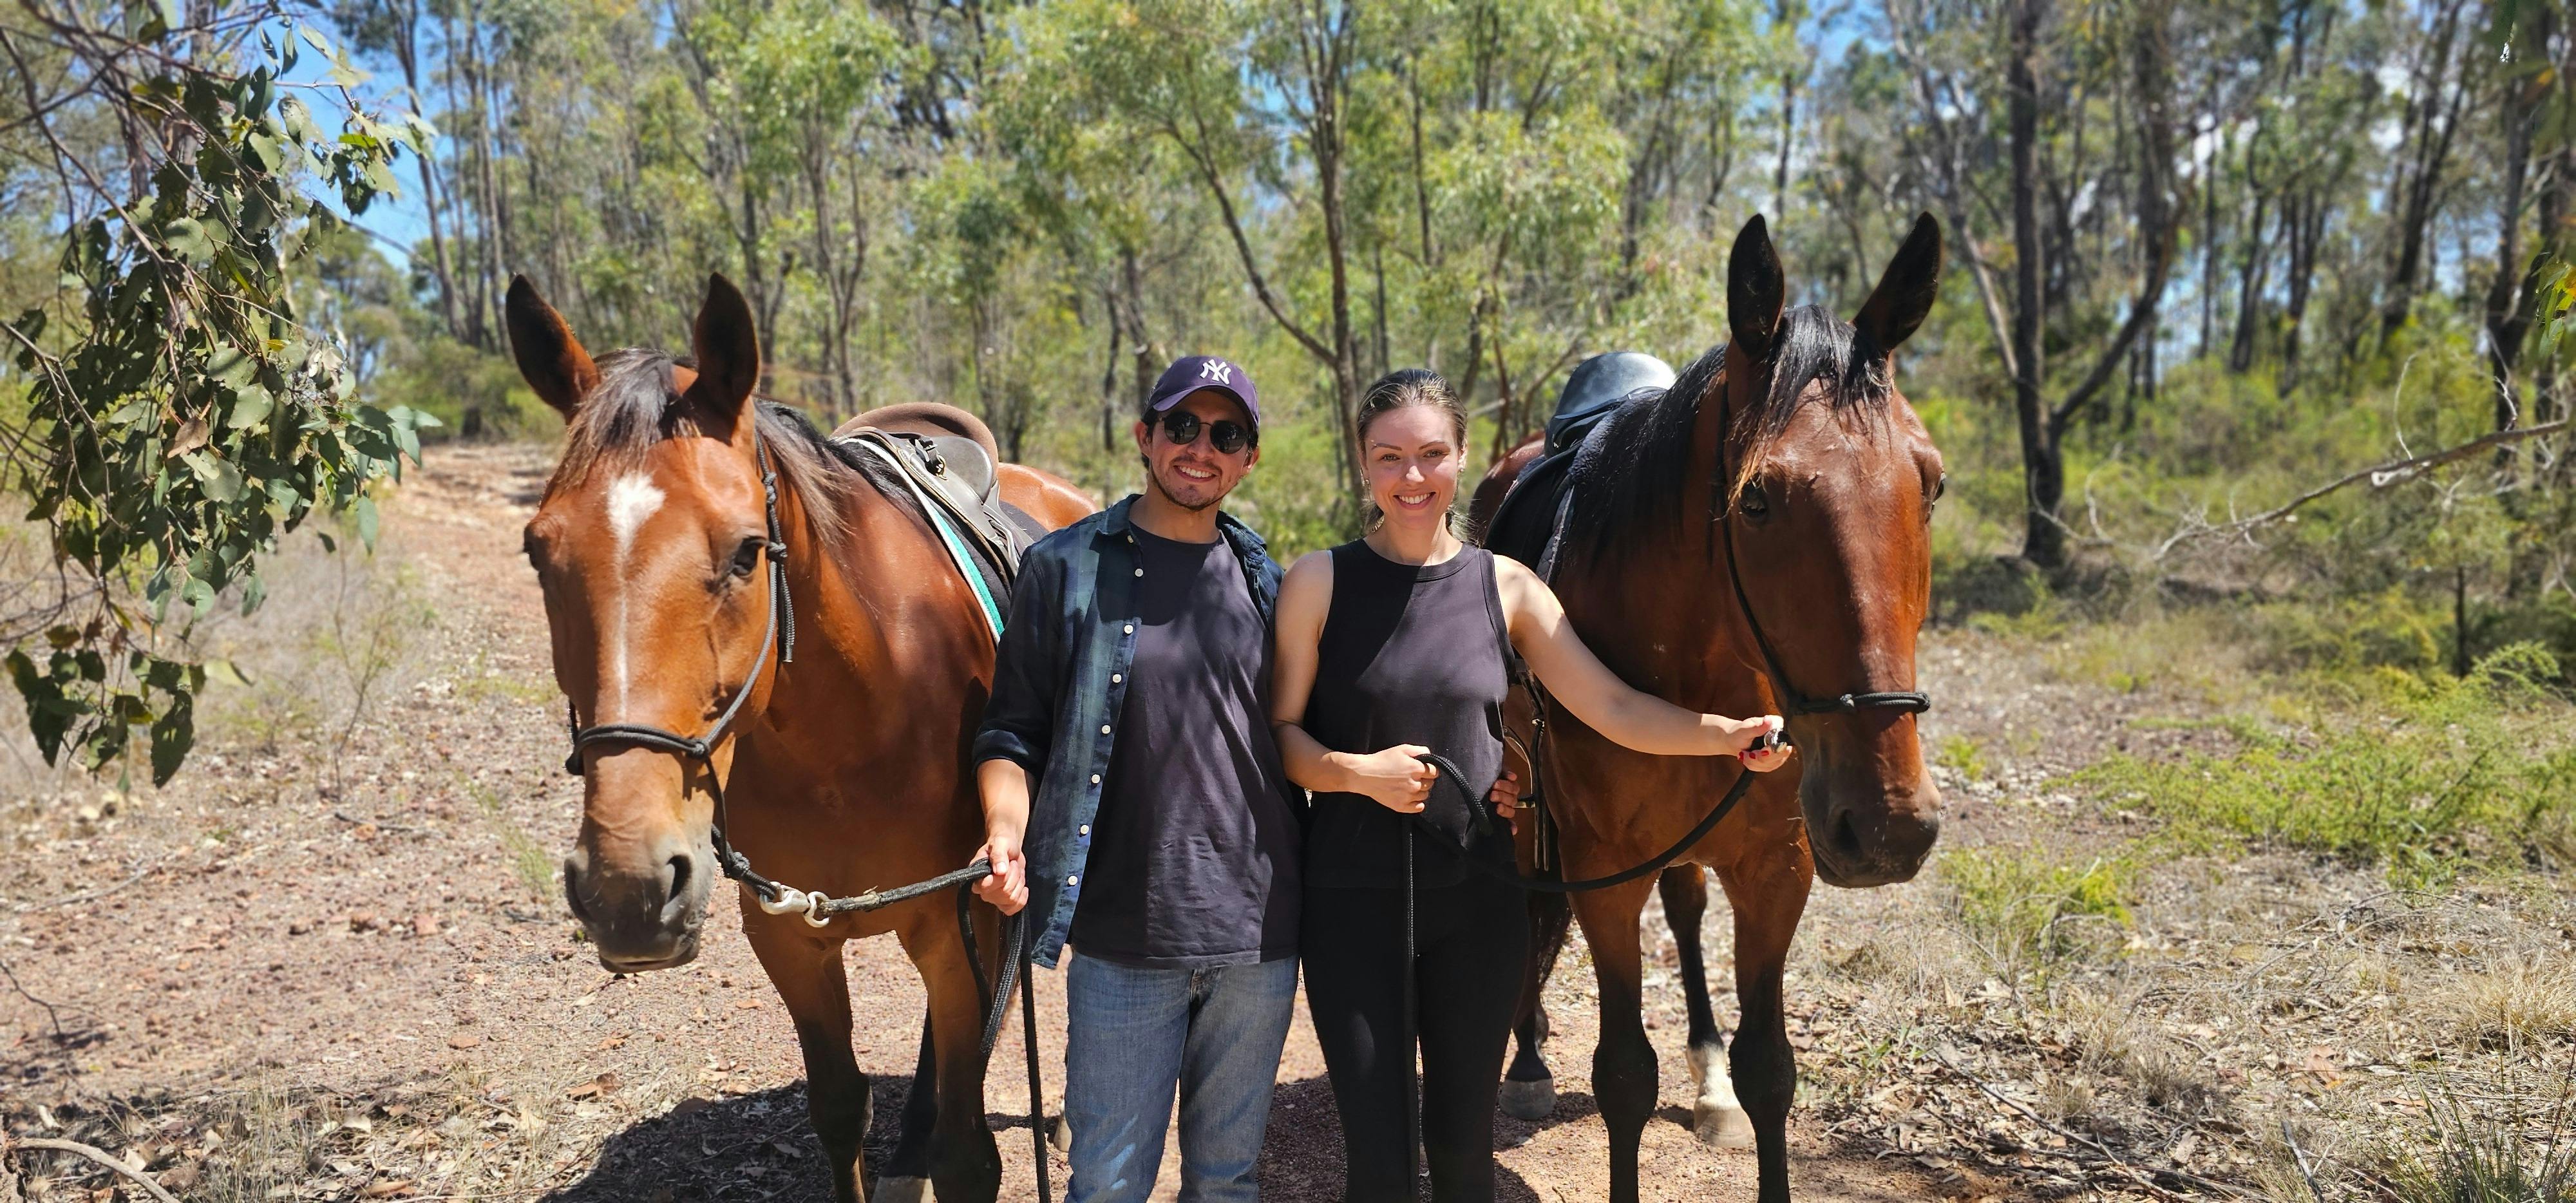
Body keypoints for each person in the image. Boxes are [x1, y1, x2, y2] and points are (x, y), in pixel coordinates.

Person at [969, 356, 1514, 1201]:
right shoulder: (1065, 569)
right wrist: (1005, 829)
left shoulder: (1270, 578)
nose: (1201, 449)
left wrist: (1492, 774)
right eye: (1182, 426)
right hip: (1126, 933)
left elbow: (1354, 708)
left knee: (1227, 1181)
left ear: (1249, 459)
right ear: (1145, 436)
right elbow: (1012, 731)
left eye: (1226, 435)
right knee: (1108, 1182)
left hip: (1260, 932)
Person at [1268, 369, 1792, 1203]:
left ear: (1461, 455)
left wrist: (1724, 737)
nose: (1413, 478)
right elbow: (1283, 738)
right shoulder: (1316, 584)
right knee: (1379, 1169)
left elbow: (1613, 704)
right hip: (1351, 905)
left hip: (1477, 908)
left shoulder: (1504, 586)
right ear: (1362, 462)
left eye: (1432, 454)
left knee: (1466, 1158)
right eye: (1390, 456)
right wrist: (1353, 774)